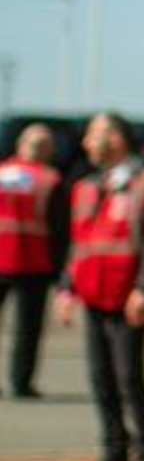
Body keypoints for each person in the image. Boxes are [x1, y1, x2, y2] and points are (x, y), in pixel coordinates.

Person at [57, 113, 144, 461]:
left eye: (99, 132)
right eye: (89, 133)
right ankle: (114, 453)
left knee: (129, 379)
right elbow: (80, 242)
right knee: (100, 379)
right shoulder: (86, 187)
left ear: (119, 138)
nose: (90, 140)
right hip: (93, 293)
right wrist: (66, 287)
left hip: (126, 296)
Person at [0, 123, 68, 398]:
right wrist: (60, 267)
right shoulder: (50, 180)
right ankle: (20, 382)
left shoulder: (3, 173)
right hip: (34, 263)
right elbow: (61, 229)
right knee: (28, 330)